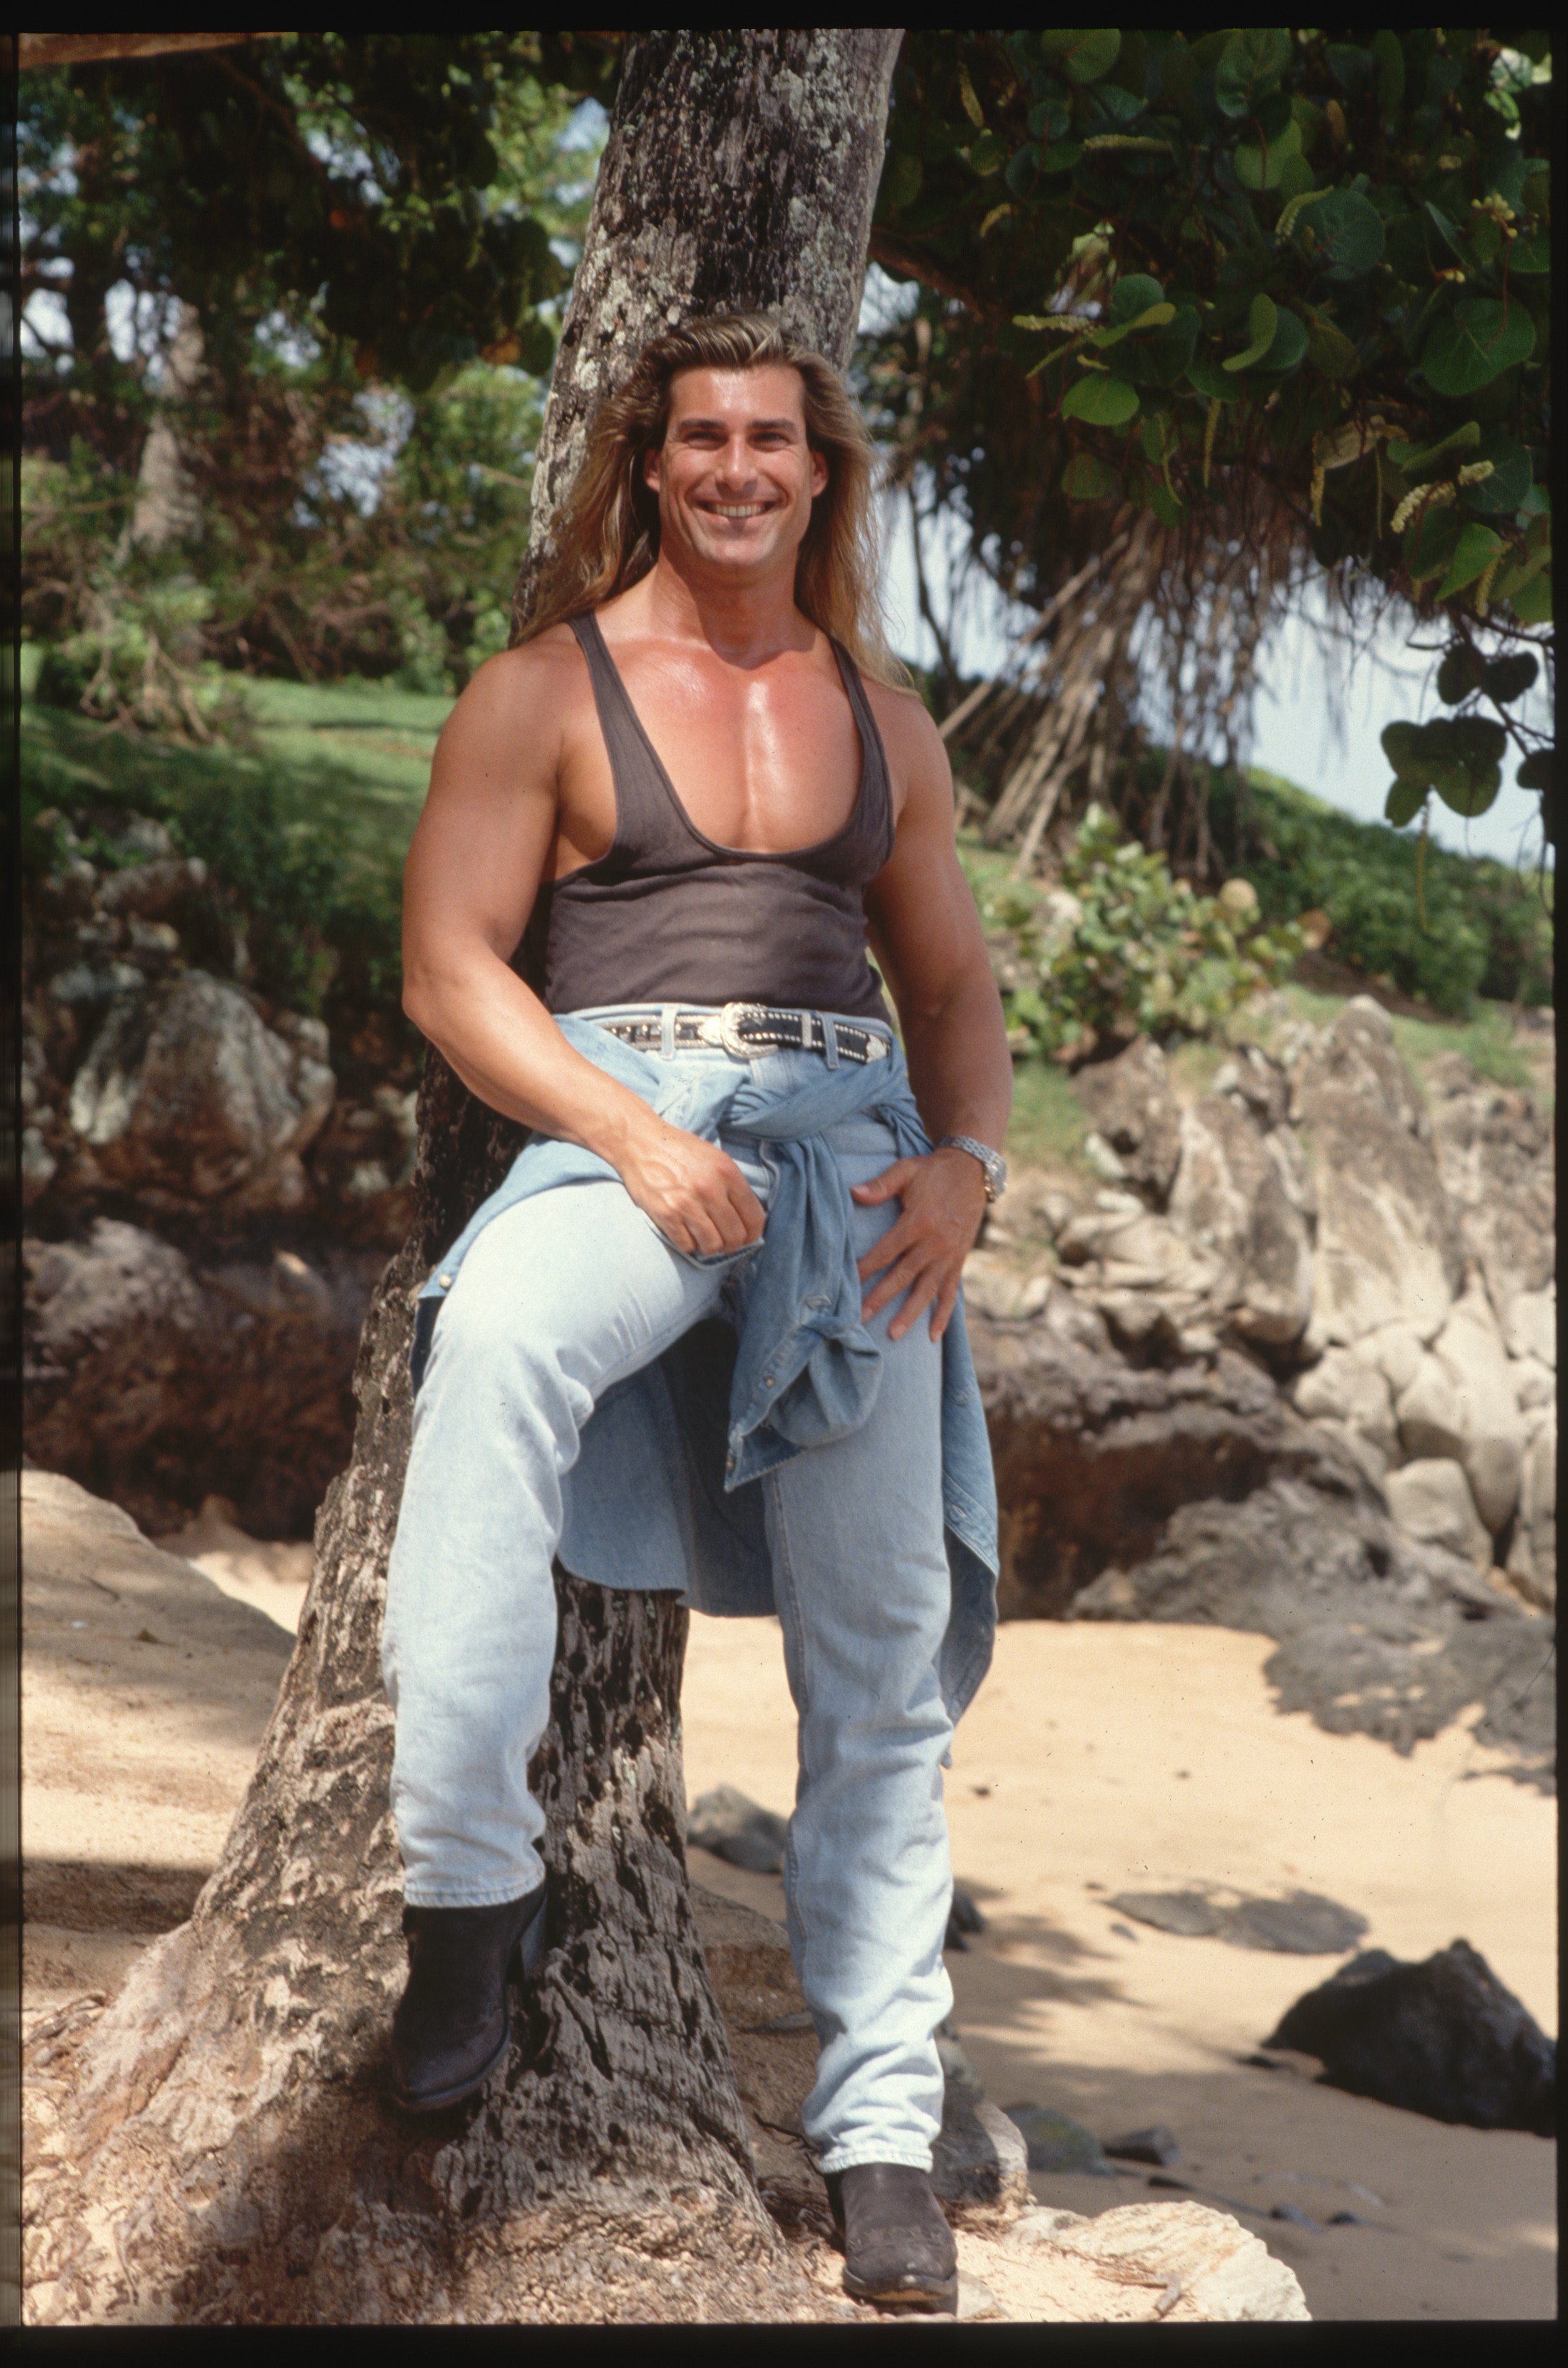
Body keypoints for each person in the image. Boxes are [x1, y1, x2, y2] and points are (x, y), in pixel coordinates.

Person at [384, 311, 1010, 2310]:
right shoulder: (539, 690)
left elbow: (958, 994)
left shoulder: (880, 717)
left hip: (849, 1162)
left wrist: (970, 1165)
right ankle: (468, 1896)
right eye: (701, 438)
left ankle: (883, 2127)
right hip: (631, 1120)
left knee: (879, 1636)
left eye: (774, 438)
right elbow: (451, 969)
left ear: (820, 472)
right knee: (486, 1350)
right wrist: (625, 1131)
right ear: (648, 465)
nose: (738, 466)